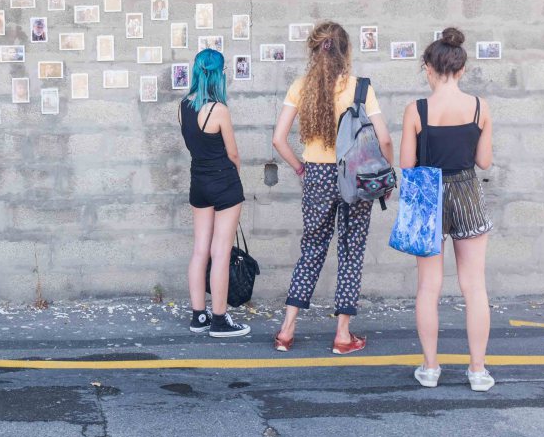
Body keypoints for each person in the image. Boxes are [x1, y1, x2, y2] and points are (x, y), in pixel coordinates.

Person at [272, 21, 393, 354]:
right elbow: (383, 138)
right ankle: (342, 335)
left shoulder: (301, 87)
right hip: (355, 177)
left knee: (312, 248)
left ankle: (287, 330)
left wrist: (300, 167)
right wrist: (386, 176)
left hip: (317, 176)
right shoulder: (360, 88)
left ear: (314, 50)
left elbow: (278, 139)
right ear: (346, 51)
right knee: (351, 250)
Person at [400, 28, 495, 391]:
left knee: (429, 286)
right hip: (468, 191)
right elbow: (484, 161)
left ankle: (430, 369)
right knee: (474, 286)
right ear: (462, 69)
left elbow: (407, 165)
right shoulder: (480, 107)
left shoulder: (416, 110)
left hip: (428, 197)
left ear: (427, 67)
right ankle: (477, 371)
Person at [178, 49, 250, 338]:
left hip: (199, 182)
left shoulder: (183, 106)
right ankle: (220, 320)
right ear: (218, 75)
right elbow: (233, 153)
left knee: (200, 250)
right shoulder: (219, 110)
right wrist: (235, 175)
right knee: (220, 253)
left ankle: (199, 316)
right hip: (224, 182)